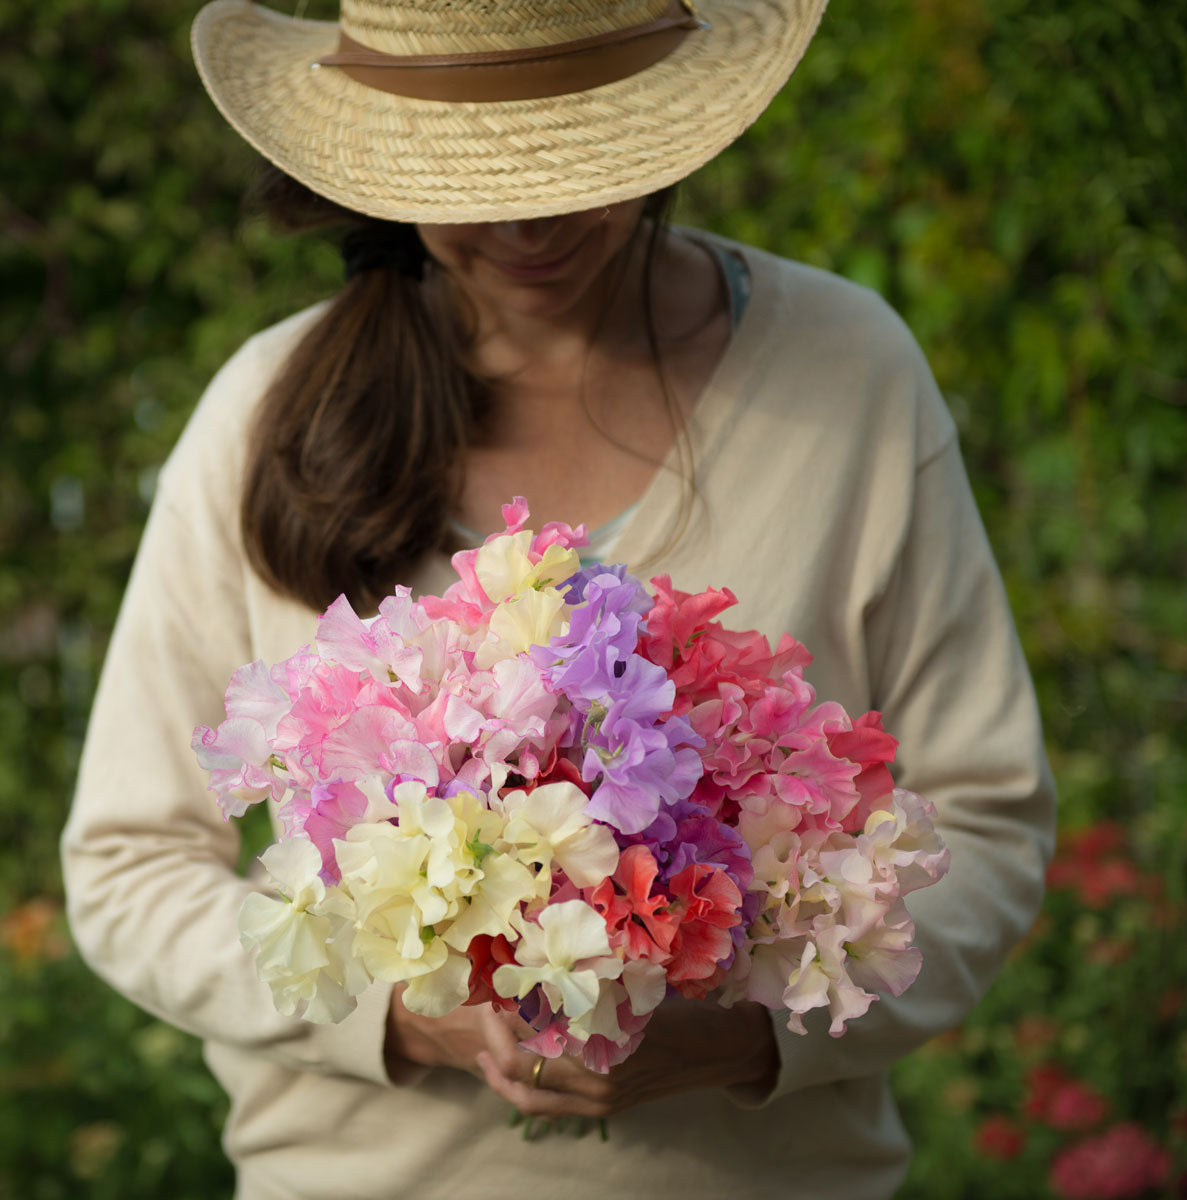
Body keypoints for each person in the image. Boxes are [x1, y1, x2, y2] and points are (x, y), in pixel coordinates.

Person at [61, 1, 1055, 1197]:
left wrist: (745, 1033)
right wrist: (395, 1011)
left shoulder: (847, 380)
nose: (530, 220)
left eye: (584, 161)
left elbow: (988, 825)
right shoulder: (269, 411)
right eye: (471, 178)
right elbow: (128, 863)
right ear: (378, 158)